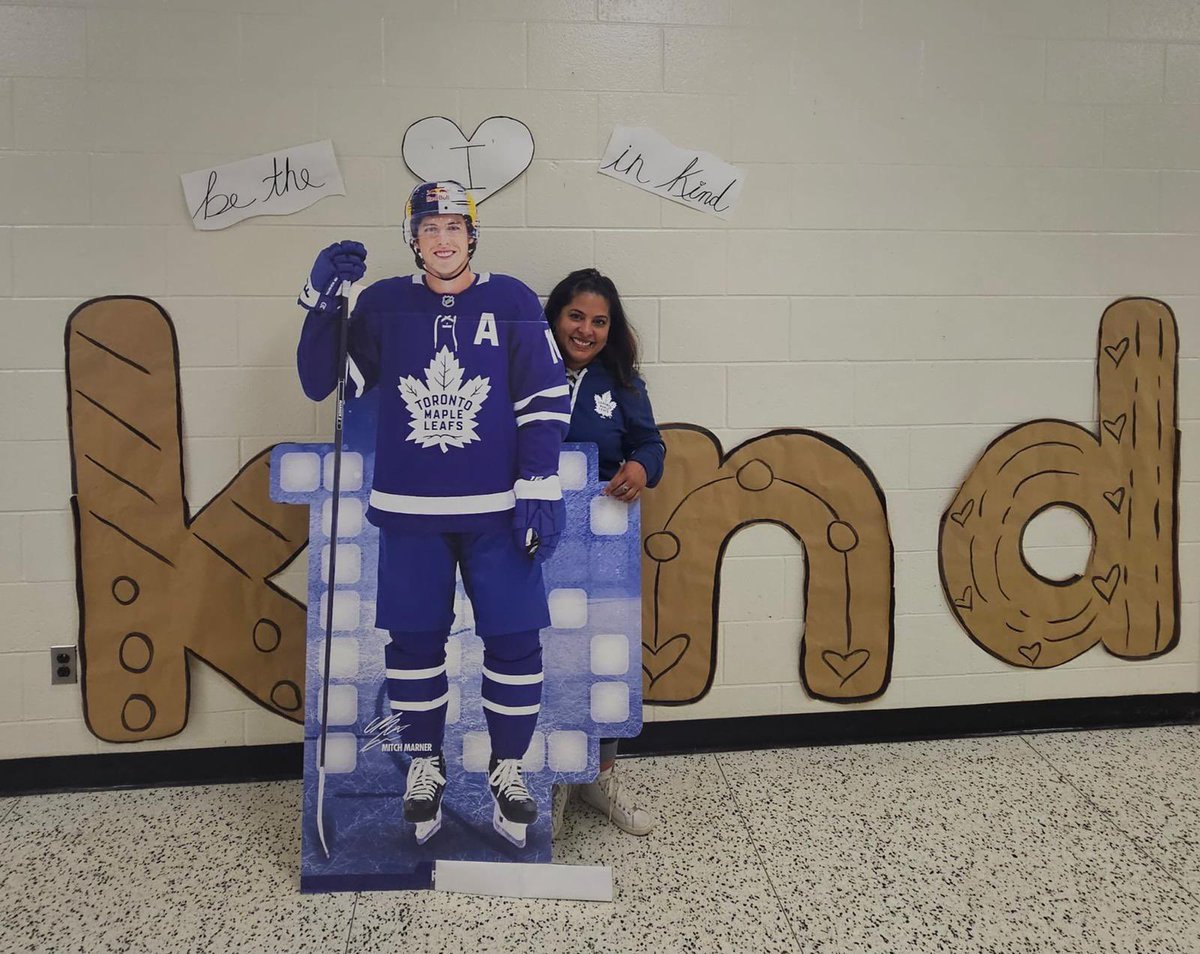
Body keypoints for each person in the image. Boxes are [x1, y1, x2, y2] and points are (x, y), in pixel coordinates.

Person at [295, 181, 570, 849]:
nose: (442, 238)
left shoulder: (509, 300)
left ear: (472, 234)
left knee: (514, 638)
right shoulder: (386, 304)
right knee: (414, 644)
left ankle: (508, 768)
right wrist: (323, 302)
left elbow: (543, 394)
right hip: (411, 508)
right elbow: (320, 379)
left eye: (454, 226)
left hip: (496, 509)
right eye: (429, 227)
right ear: (412, 238)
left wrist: (539, 480)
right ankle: (426, 764)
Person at [544, 267, 665, 838]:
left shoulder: (620, 379)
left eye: (599, 320)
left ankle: (598, 774)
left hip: (603, 540)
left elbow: (650, 443)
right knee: (542, 654)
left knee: (603, 657)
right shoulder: (525, 370)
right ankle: (549, 778)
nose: (586, 330)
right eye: (576, 316)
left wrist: (641, 467)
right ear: (555, 316)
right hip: (535, 540)